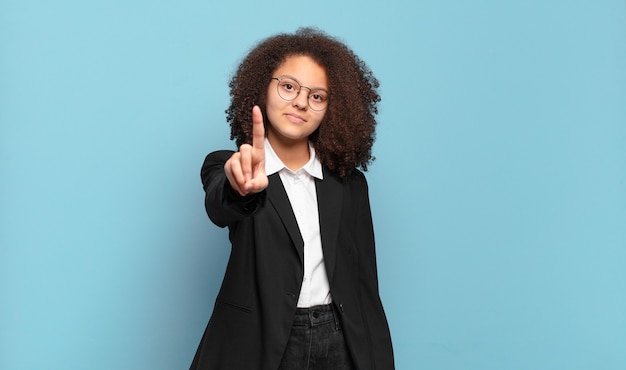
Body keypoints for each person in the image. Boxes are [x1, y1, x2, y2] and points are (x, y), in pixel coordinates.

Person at [191, 27, 394, 370]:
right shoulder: (228, 166)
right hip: (262, 339)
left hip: (339, 337)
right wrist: (240, 188)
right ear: (262, 89)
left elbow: (363, 283)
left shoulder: (350, 185)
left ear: (334, 108)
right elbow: (219, 204)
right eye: (288, 86)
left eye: (317, 96)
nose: (300, 101)